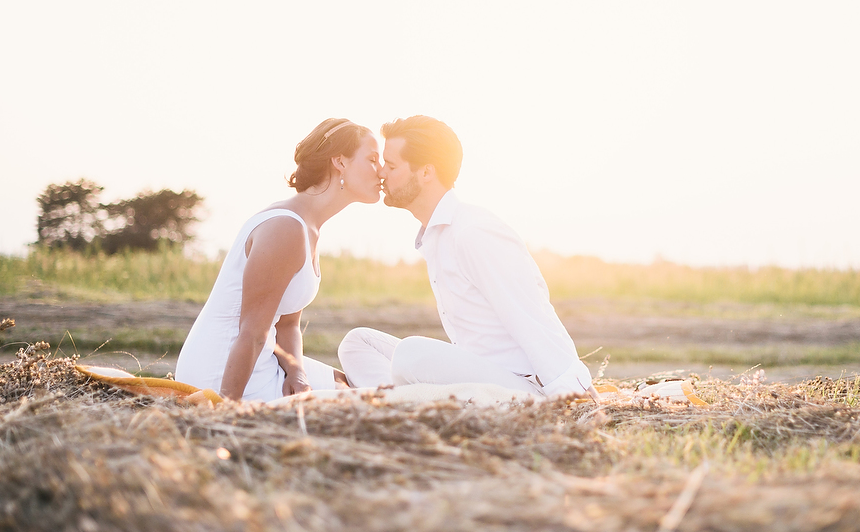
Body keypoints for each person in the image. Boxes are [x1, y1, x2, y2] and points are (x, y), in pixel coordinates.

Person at [337, 115, 597, 399]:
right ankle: (393, 402)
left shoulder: (474, 230)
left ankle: (391, 402)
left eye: (392, 165)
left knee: (410, 354)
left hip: (521, 387)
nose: (382, 173)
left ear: (426, 173)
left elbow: (530, 314)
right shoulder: (435, 235)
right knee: (357, 342)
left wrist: (571, 394)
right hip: (478, 376)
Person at [176, 119, 382, 401]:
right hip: (222, 369)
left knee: (349, 384)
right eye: (372, 159)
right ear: (340, 162)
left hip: (259, 355)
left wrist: (296, 373)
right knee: (359, 401)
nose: (381, 170)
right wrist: (225, 408)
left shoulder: (308, 227)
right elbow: (251, 331)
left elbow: (287, 324)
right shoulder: (286, 228)